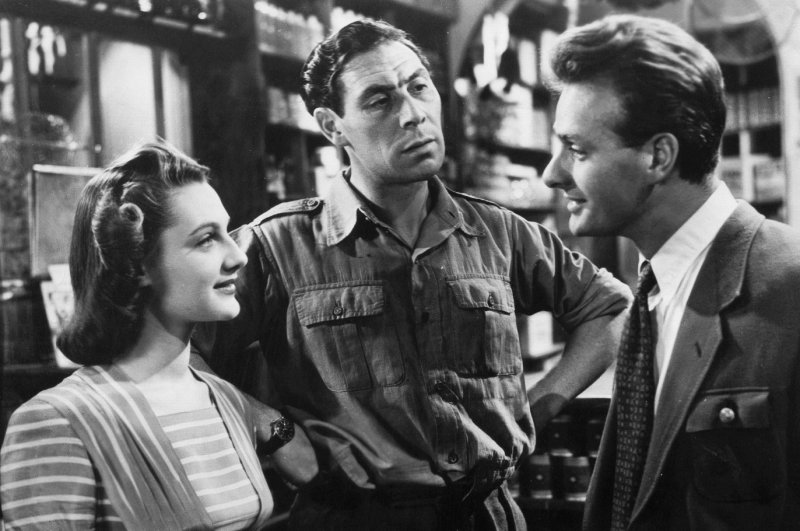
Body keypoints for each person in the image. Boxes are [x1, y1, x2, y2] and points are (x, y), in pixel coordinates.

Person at [193, 19, 631, 530]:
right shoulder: (278, 244)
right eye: (380, 100)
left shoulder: (496, 231)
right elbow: (179, 356)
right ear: (333, 126)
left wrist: (540, 405)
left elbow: (610, 306)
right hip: (355, 519)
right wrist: (271, 426)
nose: (413, 114)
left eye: (419, 87)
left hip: (487, 513)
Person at [543, 14, 800, 530]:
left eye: (576, 149)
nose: (553, 174)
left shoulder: (791, 285)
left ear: (658, 156)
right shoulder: (651, 291)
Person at [0, 141, 313, 529]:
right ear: (139, 262)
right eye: (206, 239)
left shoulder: (225, 400)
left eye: (227, 232)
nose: (238, 256)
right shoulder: (57, 422)